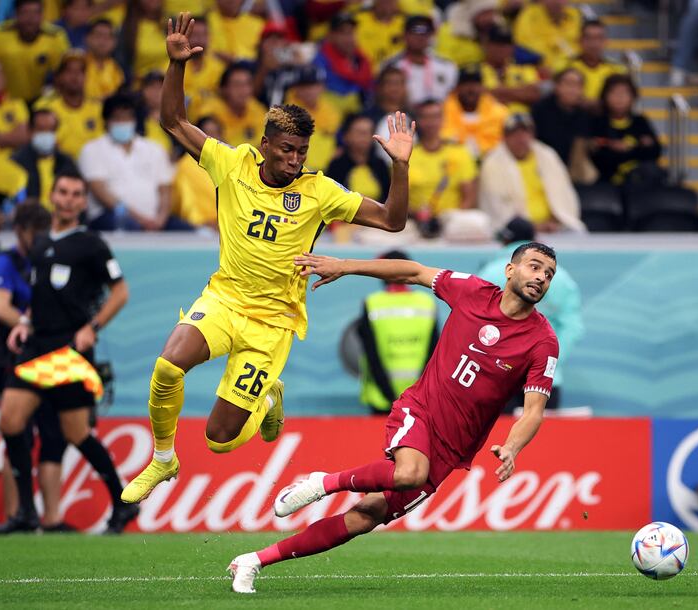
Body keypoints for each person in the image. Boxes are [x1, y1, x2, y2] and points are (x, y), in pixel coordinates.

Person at [119, 13, 415, 505]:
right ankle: (164, 459)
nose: (294, 160)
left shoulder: (319, 191)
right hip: (224, 299)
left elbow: (392, 221)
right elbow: (173, 121)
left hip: (273, 323)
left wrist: (400, 166)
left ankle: (268, 395)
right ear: (264, 146)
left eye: (301, 151)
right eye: (286, 151)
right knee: (168, 367)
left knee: (220, 438)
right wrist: (177, 67)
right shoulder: (232, 164)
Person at [229, 242, 560, 593]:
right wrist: (343, 265)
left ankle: (253, 560)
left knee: (364, 517)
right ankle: (322, 483)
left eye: (548, 274)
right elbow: (413, 271)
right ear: (511, 270)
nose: (540, 277)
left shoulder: (543, 341)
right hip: (420, 410)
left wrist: (512, 447)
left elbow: (534, 411)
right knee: (408, 473)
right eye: (534, 267)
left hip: (452, 451)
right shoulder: (473, 291)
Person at [0, 170, 136, 534]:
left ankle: (123, 504)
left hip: (68, 351)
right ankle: (26, 511)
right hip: (37, 344)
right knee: (10, 420)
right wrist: (24, 323)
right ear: (53, 197)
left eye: (77, 194)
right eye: (64, 192)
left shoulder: (91, 244)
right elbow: (41, 297)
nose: (70, 199)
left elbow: (120, 293)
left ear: (82, 202)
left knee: (76, 432)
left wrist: (92, 328)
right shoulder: (40, 243)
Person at [0, 203, 74, 533]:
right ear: (20, 231)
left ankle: (51, 518)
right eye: (33, 232)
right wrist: (33, 324)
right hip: (11, 361)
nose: (38, 238)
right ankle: (17, 513)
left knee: (53, 437)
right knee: (16, 436)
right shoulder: (5, 263)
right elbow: (0, 307)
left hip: (47, 359)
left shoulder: (47, 259)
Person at [478, 218, 582, 411]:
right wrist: (547, 364)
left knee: (493, 439)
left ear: (505, 241)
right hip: (544, 381)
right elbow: (573, 328)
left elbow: (477, 325)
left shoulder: (491, 272)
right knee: (542, 440)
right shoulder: (561, 278)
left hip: (495, 379)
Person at [79, 93, 185, 231]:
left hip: (155, 219)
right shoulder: (92, 149)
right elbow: (100, 191)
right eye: (117, 118)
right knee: (130, 228)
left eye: (127, 117)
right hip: (111, 217)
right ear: (106, 121)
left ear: (135, 119)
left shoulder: (154, 148)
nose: (123, 122)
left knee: (195, 234)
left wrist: (161, 218)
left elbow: (165, 189)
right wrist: (141, 220)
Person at [357, 249, 439, 414]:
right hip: (419, 396)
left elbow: (371, 352)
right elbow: (435, 352)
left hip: (381, 397)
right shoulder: (426, 303)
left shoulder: (373, 303)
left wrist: (389, 394)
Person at [480, 113, 585, 233]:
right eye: (514, 133)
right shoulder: (492, 163)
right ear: (505, 137)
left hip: (555, 227)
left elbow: (564, 195)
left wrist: (555, 221)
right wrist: (533, 227)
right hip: (515, 232)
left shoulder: (547, 155)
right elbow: (497, 208)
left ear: (532, 134)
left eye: (525, 132)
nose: (521, 138)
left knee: (577, 234)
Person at [0, 0, 70, 103]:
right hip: (5, 101)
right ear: (16, 14)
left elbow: (66, 72)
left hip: (43, 101)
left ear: (42, 15)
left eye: (36, 13)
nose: (30, 19)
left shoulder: (55, 36)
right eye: (25, 13)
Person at [409, 100, 478, 222]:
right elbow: (398, 199)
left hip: (453, 221)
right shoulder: (407, 155)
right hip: (414, 221)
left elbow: (469, 197)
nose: (430, 122)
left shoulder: (460, 152)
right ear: (418, 121)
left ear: (443, 120)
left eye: (435, 117)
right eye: (425, 117)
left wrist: (453, 221)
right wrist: (416, 214)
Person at [588, 74, 661, 186]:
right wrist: (637, 148)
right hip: (605, 183)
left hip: (639, 183)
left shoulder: (640, 122)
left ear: (633, 97)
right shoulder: (597, 122)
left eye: (624, 93)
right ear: (605, 96)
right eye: (614, 93)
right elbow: (597, 157)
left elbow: (655, 151)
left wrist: (624, 149)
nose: (620, 98)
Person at [33, 51, 104, 159]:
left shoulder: (98, 108)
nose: (75, 76)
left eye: (80, 71)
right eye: (69, 71)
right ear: (59, 76)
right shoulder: (44, 107)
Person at [188, 62, 268, 148]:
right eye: (237, 85)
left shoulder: (257, 108)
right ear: (224, 89)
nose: (243, 90)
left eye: (247, 84)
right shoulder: (210, 111)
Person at [12, 109, 79, 210]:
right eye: (41, 129)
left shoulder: (67, 162)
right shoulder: (16, 162)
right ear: (30, 132)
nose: (46, 134)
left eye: (51, 130)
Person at [386, 15, 457, 107]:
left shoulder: (447, 66)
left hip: (437, 117)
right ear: (405, 35)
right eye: (415, 31)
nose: (420, 37)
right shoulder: (392, 66)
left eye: (425, 32)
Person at [442, 65, 508, 161]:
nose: (471, 89)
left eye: (475, 83)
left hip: (492, 162)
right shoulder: (442, 112)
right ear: (457, 88)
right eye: (466, 84)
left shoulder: (500, 113)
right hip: (453, 165)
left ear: (482, 87)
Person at [313, 14, 374, 114]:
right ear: (330, 36)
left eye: (351, 32)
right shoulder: (320, 61)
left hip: (361, 115)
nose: (348, 38)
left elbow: (370, 85)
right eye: (342, 33)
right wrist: (358, 93)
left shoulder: (362, 59)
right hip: (334, 115)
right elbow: (330, 90)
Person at [284, 65, 341, 172]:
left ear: (322, 87)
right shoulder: (287, 112)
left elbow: (339, 142)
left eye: (313, 85)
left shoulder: (331, 111)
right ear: (295, 88)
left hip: (327, 172)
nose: (309, 90)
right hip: (297, 171)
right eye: (304, 86)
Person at [531, 67, 590, 166]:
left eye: (577, 85)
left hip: (574, 169)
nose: (572, 89)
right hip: (543, 164)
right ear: (556, 86)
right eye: (568, 84)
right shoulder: (540, 109)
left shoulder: (585, 113)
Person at [171, 115, 222, 230]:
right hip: (200, 228)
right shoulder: (185, 166)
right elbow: (187, 203)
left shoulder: (231, 162)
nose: (213, 139)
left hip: (229, 224)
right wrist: (204, 223)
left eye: (216, 133)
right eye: (208, 134)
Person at [326, 114, 391, 203]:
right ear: (346, 136)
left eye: (369, 132)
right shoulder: (337, 165)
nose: (364, 136)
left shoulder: (380, 164)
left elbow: (389, 198)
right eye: (359, 132)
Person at [565, 20, 628, 108]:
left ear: (606, 41)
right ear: (580, 41)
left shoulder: (617, 70)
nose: (594, 44)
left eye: (599, 38)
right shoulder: (566, 67)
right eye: (589, 38)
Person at [481, 25, 541, 114]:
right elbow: (480, 96)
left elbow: (534, 94)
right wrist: (519, 92)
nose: (502, 49)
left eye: (507, 44)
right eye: (498, 44)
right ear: (486, 45)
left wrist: (497, 92)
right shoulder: (477, 71)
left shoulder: (525, 69)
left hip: (521, 123)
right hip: (489, 122)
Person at [513, 0, 582, 73]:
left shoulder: (575, 16)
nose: (556, 2)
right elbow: (527, 47)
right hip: (538, 69)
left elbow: (579, 46)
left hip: (572, 69)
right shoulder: (529, 16)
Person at [435, 0, 500, 67]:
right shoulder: (449, 31)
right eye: (485, 13)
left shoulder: (495, 32)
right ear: (471, 14)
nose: (489, 18)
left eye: (492, 13)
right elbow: (444, 64)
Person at [355, 0, 405, 71]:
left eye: (390, 1)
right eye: (383, 1)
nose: (386, 4)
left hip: (395, 77)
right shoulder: (358, 20)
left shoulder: (405, 25)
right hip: (364, 74)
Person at [84, 18, 125, 101]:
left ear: (114, 42)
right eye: (98, 36)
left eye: (107, 37)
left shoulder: (118, 68)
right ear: (88, 38)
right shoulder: (78, 63)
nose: (102, 41)